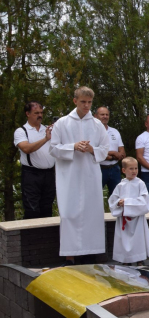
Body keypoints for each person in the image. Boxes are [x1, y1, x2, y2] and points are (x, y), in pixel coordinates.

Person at [49, 86, 109, 265]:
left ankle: (91, 253)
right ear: (75, 101)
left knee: (92, 213)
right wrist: (72, 146)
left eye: (89, 102)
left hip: (90, 174)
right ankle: (70, 255)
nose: (86, 106)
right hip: (69, 175)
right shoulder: (62, 123)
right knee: (69, 213)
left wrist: (92, 149)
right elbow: (53, 148)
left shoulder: (97, 125)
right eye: (83, 102)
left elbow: (105, 150)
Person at [109, 157, 149, 265]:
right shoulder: (120, 185)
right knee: (123, 239)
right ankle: (126, 259)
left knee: (138, 238)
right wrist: (118, 203)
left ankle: (139, 259)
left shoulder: (140, 184)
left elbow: (145, 201)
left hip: (137, 218)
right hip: (124, 217)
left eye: (136, 168)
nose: (134, 171)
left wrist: (127, 202)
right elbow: (113, 200)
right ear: (124, 170)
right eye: (131, 169)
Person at [14, 101, 56, 219]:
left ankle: (46, 236)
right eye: (36, 113)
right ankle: (31, 237)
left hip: (49, 174)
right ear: (27, 113)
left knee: (47, 207)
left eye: (41, 112)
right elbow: (26, 148)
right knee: (32, 208)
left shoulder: (47, 129)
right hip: (31, 174)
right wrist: (45, 139)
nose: (40, 115)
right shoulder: (21, 131)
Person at [95, 106, 126, 197]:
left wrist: (109, 155)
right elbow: (93, 151)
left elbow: (122, 152)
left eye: (107, 114)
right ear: (96, 116)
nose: (105, 116)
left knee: (117, 197)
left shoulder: (114, 131)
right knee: (95, 196)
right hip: (99, 168)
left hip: (115, 169)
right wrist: (113, 153)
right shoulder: (92, 132)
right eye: (102, 114)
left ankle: (116, 212)